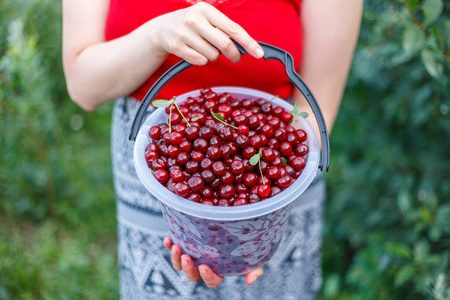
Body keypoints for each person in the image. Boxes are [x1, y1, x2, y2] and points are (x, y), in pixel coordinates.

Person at [62, 0, 363, 299]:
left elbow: (316, 99)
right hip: (157, 171)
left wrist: (256, 226)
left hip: (277, 185)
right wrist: (156, 36)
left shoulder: (270, 173)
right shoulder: (170, 160)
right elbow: (83, 86)